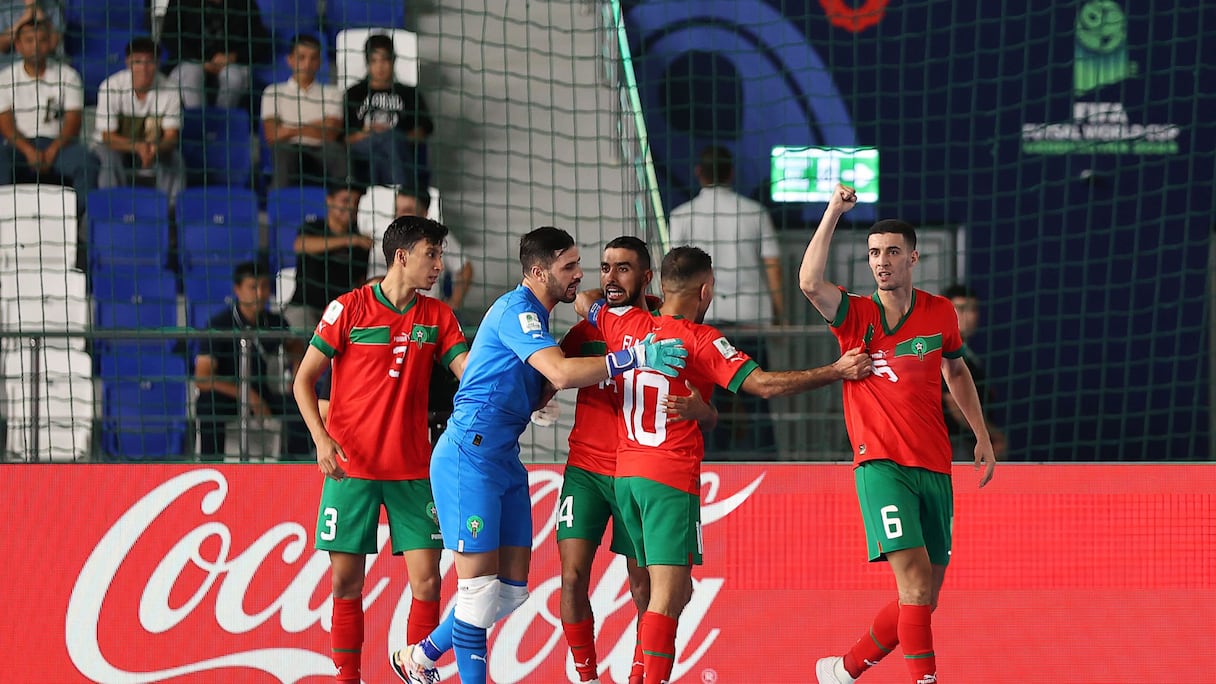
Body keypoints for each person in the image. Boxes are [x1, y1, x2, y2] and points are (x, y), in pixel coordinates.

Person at [393, 226, 688, 684]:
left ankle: (420, 656)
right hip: (469, 458)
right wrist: (636, 357)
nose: (579, 274)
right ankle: (435, 664)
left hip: (503, 460)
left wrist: (534, 398)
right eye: (569, 266)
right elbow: (561, 372)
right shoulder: (518, 311)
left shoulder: (538, 316)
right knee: (476, 594)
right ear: (538, 272)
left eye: (578, 264)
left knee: (509, 594)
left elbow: (537, 375)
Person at [582, 245, 871, 684]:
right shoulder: (701, 339)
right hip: (668, 480)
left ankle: (639, 676)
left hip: (626, 478)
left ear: (662, 286)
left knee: (670, 593)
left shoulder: (624, 323)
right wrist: (836, 370)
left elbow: (589, 302)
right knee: (667, 597)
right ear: (706, 289)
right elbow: (764, 385)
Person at [798, 184, 997, 684]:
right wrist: (833, 211)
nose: (881, 261)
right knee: (912, 582)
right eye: (873, 254)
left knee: (926, 597)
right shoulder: (855, 314)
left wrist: (981, 434)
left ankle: (843, 670)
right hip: (882, 465)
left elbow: (956, 371)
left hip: (935, 464)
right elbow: (809, 282)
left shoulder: (940, 312)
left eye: (891, 252)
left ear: (912, 258)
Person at [293, 215, 469, 684]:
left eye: (440, 255)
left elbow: (468, 371)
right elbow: (303, 380)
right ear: (402, 257)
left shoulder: (438, 316)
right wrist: (321, 439)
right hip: (350, 469)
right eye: (432, 255)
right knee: (345, 582)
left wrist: (523, 381)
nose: (439, 265)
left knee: (428, 581)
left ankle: (419, 671)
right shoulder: (347, 309)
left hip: (413, 470)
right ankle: (347, 677)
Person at [556, 236, 716, 684]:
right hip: (586, 470)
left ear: (648, 278)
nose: (610, 277)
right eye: (605, 267)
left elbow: (706, 406)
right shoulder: (589, 328)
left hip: (638, 471)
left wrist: (702, 412)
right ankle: (587, 676)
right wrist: (538, 397)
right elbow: (553, 370)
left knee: (647, 586)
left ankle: (638, 675)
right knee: (571, 578)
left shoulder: (668, 329)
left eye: (622, 269)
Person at [667, 146, 783, 458]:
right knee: (755, 398)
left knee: (706, 400)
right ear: (731, 173)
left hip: (702, 321)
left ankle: (712, 464)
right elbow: (773, 265)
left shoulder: (682, 215)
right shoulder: (754, 212)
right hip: (750, 317)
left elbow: (674, 273)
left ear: (698, 173)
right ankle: (764, 465)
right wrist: (779, 313)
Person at [194, 260, 311, 461]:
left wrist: (297, 377)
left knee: (303, 404)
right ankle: (211, 464)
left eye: (264, 287)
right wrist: (246, 394)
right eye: (253, 287)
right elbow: (202, 378)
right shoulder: (219, 324)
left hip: (263, 392)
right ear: (237, 290)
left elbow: (296, 346)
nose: (260, 293)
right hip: (228, 395)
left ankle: (294, 464)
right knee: (207, 404)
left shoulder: (275, 322)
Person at [0, 18, 96, 216]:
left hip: (59, 146)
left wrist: (52, 150)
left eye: (41, 40)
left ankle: (75, 223)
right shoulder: (6, 77)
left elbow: (73, 122)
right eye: (29, 41)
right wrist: (28, 150)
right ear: (18, 45)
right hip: (19, 147)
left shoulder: (68, 75)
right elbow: (6, 126)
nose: (35, 46)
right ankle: (5, 220)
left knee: (87, 162)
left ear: (50, 43)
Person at [92, 37, 185, 203]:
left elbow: (171, 136)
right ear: (128, 63)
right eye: (138, 62)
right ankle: (113, 208)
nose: (144, 68)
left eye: (149, 62)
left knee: (175, 160)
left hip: (152, 149)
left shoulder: (171, 89)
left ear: (158, 64)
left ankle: (170, 211)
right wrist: (137, 146)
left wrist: (155, 148)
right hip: (116, 147)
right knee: (109, 159)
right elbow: (107, 137)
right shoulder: (111, 86)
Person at [344, 33, 433, 189]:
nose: (380, 67)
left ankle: (372, 193)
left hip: (398, 146)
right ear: (367, 63)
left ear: (393, 60)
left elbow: (424, 129)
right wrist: (366, 133)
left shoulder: (409, 93)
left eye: (385, 60)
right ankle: (399, 190)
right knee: (381, 145)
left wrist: (394, 136)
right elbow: (343, 138)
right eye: (374, 61)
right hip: (364, 145)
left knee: (386, 145)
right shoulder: (354, 93)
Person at [261, 34, 347, 189]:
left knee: (336, 150)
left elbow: (331, 133)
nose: (307, 64)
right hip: (289, 149)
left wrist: (289, 129)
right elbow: (272, 135)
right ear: (290, 60)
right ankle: (280, 201)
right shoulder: (273, 92)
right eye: (301, 58)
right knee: (283, 151)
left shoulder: (333, 93)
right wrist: (318, 125)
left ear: (320, 62)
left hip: (323, 149)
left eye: (313, 58)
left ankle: (343, 198)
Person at [284, 183, 371, 332]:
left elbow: (360, 282)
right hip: (305, 307)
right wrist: (348, 240)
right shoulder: (314, 227)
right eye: (345, 200)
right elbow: (300, 245)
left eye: (356, 202)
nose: (351, 207)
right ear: (329, 200)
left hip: (339, 312)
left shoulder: (360, 241)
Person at [159, 0, 272, 109]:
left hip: (229, 64)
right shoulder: (182, 2)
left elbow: (260, 42)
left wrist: (232, 57)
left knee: (234, 77)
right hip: (190, 62)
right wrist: (200, 61)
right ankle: (197, 120)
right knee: (192, 73)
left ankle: (222, 119)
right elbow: (168, 36)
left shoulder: (244, 3)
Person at [941, 284, 1006, 462]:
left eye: (973, 309)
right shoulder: (943, 350)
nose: (969, 316)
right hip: (953, 446)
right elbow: (955, 402)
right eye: (961, 309)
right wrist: (990, 435)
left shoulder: (965, 353)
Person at [396, 190, 472, 312]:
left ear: (424, 213)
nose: (400, 216)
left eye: (407, 210)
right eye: (397, 210)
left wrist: (453, 304)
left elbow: (466, 269)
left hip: (428, 314)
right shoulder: (388, 236)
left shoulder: (439, 238)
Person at [0, 0, 64, 69]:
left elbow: (52, 44)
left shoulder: (52, 5)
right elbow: (2, 46)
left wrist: (40, 15)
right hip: (11, 67)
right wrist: (25, 17)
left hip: (47, 67)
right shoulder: (5, 5)